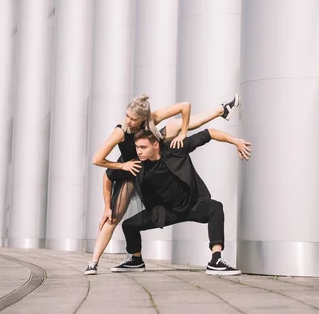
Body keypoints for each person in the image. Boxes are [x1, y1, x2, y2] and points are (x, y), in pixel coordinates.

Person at [84, 94, 241, 275]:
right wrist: (120, 173)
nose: (128, 121)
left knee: (177, 125)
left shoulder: (152, 120)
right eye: (126, 116)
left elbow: (185, 105)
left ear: (144, 119)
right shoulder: (121, 131)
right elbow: (98, 160)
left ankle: (222, 110)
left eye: (133, 118)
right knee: (114, 217)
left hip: (151, 151)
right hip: (130, 166)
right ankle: (94, 262)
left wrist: (183, 133)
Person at [110, 128, 251, 276]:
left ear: (156, 145)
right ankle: (136, 260)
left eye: (143, 147)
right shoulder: (137, 165)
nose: (139, 152)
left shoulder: (175, 149)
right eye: (137, 147)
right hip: (165, 212)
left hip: (193, 205)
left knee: (215, 207)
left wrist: (236, 141)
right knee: (129, 225)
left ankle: (216, 260)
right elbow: (108, 176)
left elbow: (209, 133)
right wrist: (108, 206)